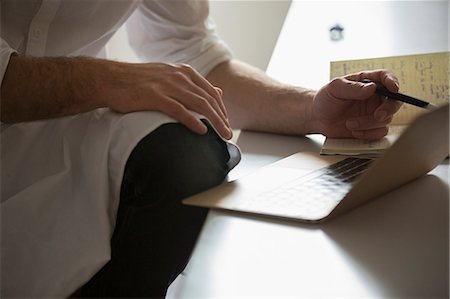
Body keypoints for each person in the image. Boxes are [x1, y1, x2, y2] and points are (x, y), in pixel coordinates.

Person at [0, 0, 402, 298]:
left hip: (69, 146)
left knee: (190, 155)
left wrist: (311, 109)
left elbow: (193, 52)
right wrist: (106, 79)